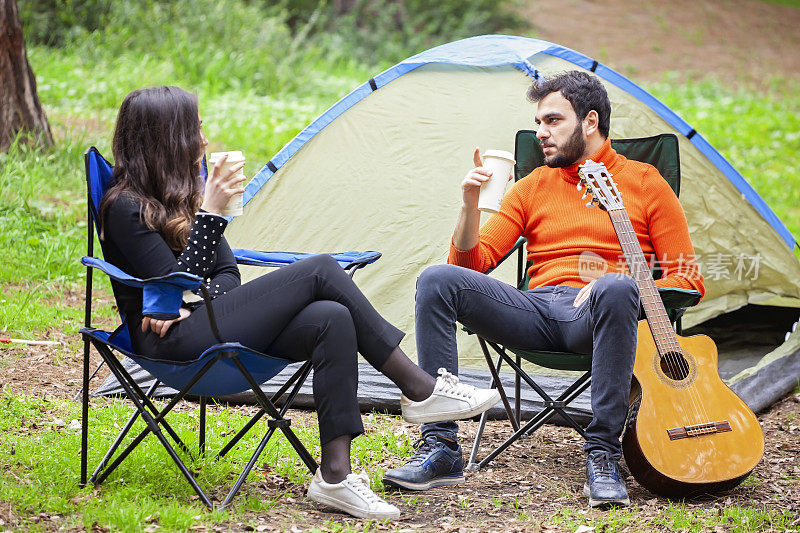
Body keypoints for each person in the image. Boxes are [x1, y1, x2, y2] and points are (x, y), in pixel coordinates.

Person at [99, 86, 500, 520]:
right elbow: (170, 285)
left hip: (199, 324)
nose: (205, 140)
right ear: (168, 138)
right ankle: (417, 388)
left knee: (331, 317)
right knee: (320, 269)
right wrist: (210, 220)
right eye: (195, 130)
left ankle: (334, 476)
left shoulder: (181, 201)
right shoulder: (124, 208)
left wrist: (190, 293)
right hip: (171, 348)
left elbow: (226, 277)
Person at [383, 71, 705, 508]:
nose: (541, 134)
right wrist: (469, 207)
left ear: (590, 122)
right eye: (538, 123)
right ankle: (441, 446)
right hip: (532, 310)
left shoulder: (647, 182)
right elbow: (470, 265)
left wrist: (623, 286)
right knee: (437, 280)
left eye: (552, 121)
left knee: (612, 287)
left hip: (598, 316)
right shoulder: (531, 185)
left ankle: (604, 454)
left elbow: (687, 279)